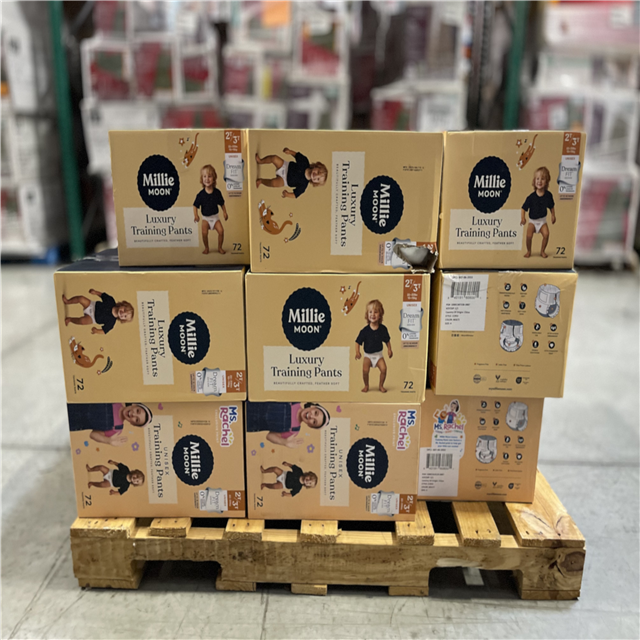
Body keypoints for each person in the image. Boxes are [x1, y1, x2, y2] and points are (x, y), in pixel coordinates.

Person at [246, 402, 330, 448]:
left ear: (310, 426)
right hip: (250, 404)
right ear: (313, 406)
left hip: (250, 424)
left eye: (314, 421)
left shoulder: (294, 431)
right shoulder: (294, 400)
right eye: (315, 412)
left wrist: (284, 442)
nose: (311, 416)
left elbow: (269, 436)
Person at [255, 147, 327, 199]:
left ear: (315, 183)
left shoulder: (304, 185)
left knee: (273, 183)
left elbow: (295, 195)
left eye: (317, 179)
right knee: (274, 158)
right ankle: (260, 161)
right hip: (284, 166)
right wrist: (289, 151)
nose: (315, 175)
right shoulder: (305, 162)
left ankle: (261, 181)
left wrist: (287, 194)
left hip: (284, 180)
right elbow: (296, 155)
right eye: (318, 172)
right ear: (316, 166)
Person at [68, 402, 153, 446]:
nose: (133, 414)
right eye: (137, 411)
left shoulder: (117, 429)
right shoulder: (114, 399)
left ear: (133, 424)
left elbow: (93, 434)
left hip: (74, 423)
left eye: (137, 420)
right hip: (73, 405)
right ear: (134, 405)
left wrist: (108, 441)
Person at [355, 299, 393, 393]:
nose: (373, 314)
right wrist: (357, 352)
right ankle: (366, 385)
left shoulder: (383, 329)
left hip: (378, 355)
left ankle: (381, 385)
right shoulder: (365, 331)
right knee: (365, 370)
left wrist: (389, 349)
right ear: (367, 315)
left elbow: (387, 341)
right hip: (368, 355)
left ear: (380, 315)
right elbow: (357, 342)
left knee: (384, 369)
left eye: (376, 312)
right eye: (370, 312)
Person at [521, 166, 556, 259]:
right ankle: (529, 251)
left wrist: (553, 215)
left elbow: (551, 206)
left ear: (547, 181)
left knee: (546, 234)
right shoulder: (531, 197)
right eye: (537, 179)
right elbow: (523, 208)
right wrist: (523, 218)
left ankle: (542, 251)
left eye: (543, 179)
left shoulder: (548, 195)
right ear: (534, 181)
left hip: (542, 221)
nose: (539, 181)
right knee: (529, 236)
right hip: (532, 221)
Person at [62, 289, 134, 334]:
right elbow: (102, 295)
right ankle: (68, 301)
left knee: (82, 321)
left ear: (123, 320)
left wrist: (96, 331)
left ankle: (70, 319)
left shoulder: (111, 322)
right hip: (91, 305)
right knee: (81, 298)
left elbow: (104, 331)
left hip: (92, 318)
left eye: (125, 316)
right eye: (124, 310)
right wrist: (95, 292)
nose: (123, 313)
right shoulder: (111, 301)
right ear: (122, 304)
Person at [193, 164, 228, 255]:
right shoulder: (201, 195)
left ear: (214, 178)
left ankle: (220, 247)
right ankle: (206, 248)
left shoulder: (217, 193)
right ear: (202, 179)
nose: (207, 179)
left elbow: (222, 203)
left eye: (209, 176)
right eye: (204, 176)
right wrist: (196, 215)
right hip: (206, 218)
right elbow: (195, 205)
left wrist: (224, 212)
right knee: (204, 232)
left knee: (221, 231)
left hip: (215, 218)